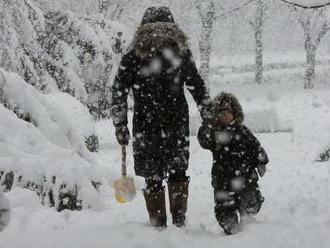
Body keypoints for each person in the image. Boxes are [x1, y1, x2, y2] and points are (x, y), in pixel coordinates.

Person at [111, 6, 211, 228]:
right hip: (176, 121)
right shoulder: (180, 52)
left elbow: (118, 90)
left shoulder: (133, 54)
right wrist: (207, 113)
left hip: (145, 124)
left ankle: (157, 224)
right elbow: (197, 86)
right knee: (177, 172)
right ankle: (178, 220)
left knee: (153, 176)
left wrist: (120, 123)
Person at [197, 92, 269, 234]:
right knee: (224, 210)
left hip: (246, 178)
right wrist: (207, 123)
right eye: (221, 111)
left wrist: (261, 161)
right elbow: (203, 140)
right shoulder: (215, 133)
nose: (225, 115)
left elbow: (256, 148)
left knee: (250, 202)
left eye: (228, 111)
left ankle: (248, 223)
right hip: (223, 181)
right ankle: (231, 228)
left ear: (235, 113)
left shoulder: (243, 132)